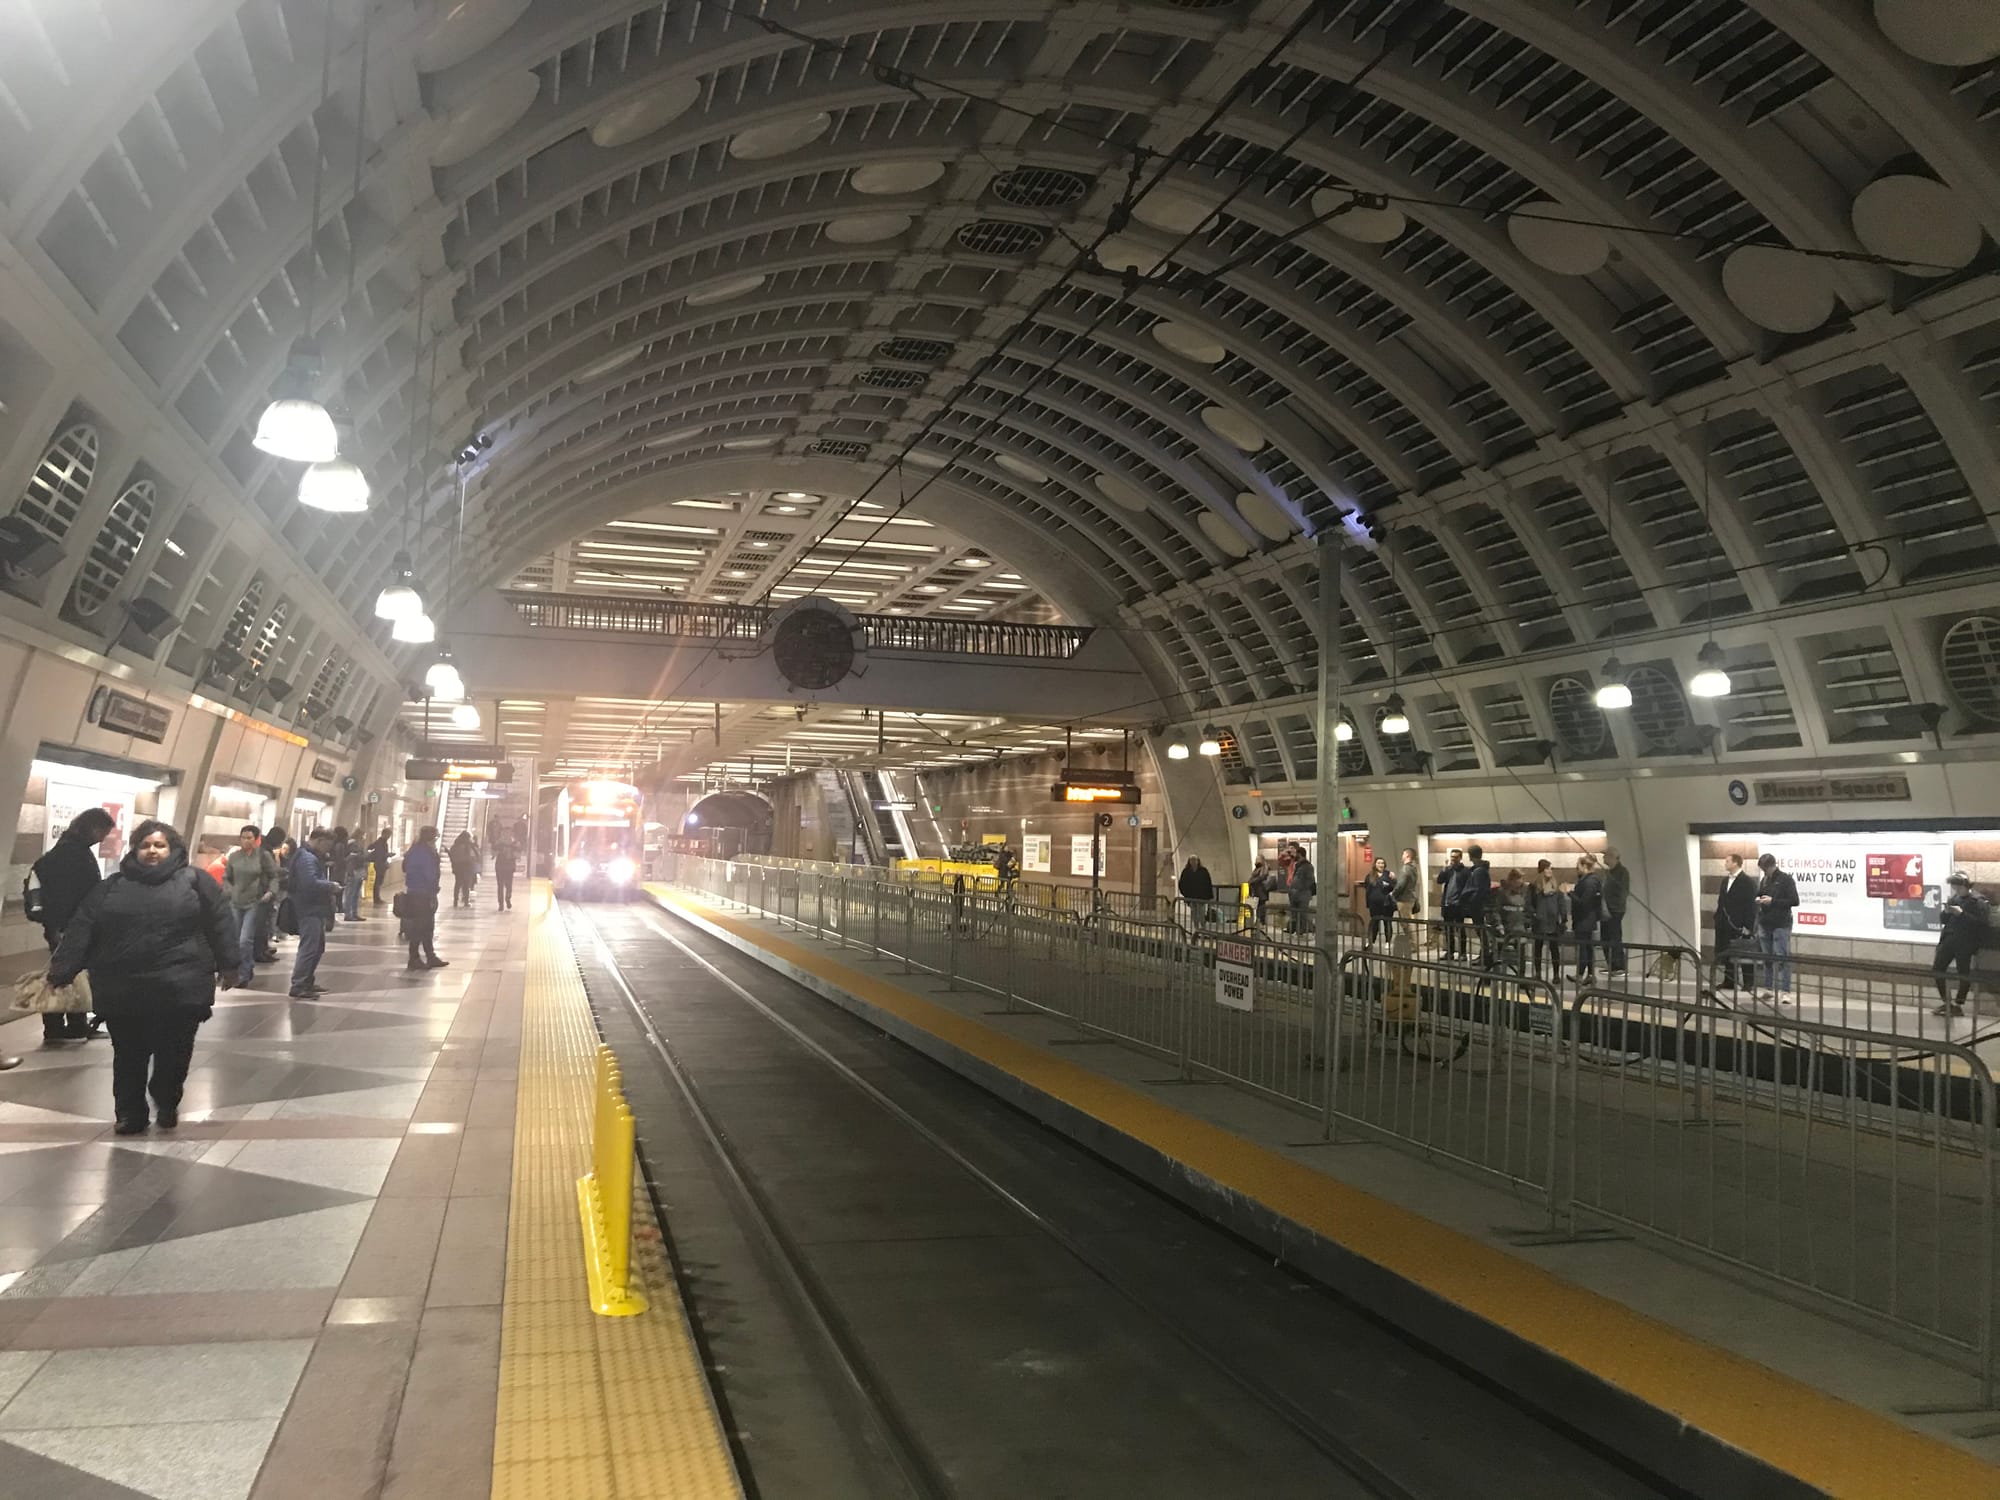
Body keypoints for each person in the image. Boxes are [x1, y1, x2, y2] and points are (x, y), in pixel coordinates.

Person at [47, 819, 238, 1134]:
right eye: (145, 845)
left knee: (173, 1054)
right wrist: (62, 970)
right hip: (124, 989)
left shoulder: (196, 882)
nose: (152, 851)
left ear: (173, 849)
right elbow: (83, 928)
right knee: (128, 1056)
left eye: (159, 845)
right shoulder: (110, 887)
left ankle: (166, 1097)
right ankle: (130, 1114)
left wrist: (230, 964)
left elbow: (220, 923)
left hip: (180, 988)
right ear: (135, 849)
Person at [27, 808, 117, 1044]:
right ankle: (62, 1026)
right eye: (103, 832)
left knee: (69, 973)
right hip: (69, 925)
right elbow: (72, 896)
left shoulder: (62, 852)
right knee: (66, 974)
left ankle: (70, 1025)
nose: (103, 838)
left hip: (61, 924)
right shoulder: (73, 855)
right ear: (92, 827)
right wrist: (65, 927)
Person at [222, 823, 278, 989]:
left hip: (254, 902)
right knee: (235, 940)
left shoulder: (263, 856)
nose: (246, 841)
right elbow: (227, 877)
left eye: (249, 838)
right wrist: (229, 890)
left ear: (256, 839)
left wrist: (271, 892)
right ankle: (242, 968)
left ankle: (244, 973)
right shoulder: (234, 857)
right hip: (235, 902)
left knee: (245, 940)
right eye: (243, 837)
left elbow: (274, 876)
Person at [287, 828, 339, 999]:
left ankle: (307, 981)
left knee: (317, 947)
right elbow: (309, 884)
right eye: (327, 845)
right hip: (309, 908)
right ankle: (299, 984)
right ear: (320, 840)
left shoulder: (307, 856)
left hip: (313, 908)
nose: (328, 850)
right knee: (309, 947)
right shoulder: (307, 858)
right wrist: (331, 885)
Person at [1932, 872, 1989, 1018]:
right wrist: (1945, 912)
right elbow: (1944, 920)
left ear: (1966, 885)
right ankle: (1947, 1002)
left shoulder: (1978, 901)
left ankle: (1958, 1004)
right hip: (1949, 940)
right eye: (1954, 887)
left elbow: (1981, 924)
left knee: (1963, 972)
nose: (1956, 890)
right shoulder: (1954, 898)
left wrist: (1961, 914)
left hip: (1965, 942)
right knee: (1937, 969)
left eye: (1958, 887)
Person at [1753, 851, 1799, 1001]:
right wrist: (1759, 899)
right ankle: (1768, 988)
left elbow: (1794, 900)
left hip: (1781, 923)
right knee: (1768, 957)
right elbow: (1760, 894)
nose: (1763, 872)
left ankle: (1785, 991)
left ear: (1771, 866)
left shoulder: (1786, 880)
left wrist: (1773, 901)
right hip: (1765, 922)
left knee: (1782, 957)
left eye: (1764, 869)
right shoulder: (1764, 880)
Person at [1711, 854, 1758, 995]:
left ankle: (1748, 982)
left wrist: (1748, 926)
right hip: (1724, 923)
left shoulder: (1747, 882)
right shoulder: (1725, 881)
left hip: (1739, 924)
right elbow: (1722, 901)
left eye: (1727, 861)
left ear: (1736, 863)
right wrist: (1717, 917)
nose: (1725, 863)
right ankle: (1729, 980)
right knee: (1726, 951)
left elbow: (1751, 906)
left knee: (1743, 953)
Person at [402, 826, 447, 972]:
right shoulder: (425, 852)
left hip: (417, 891)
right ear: (431, 838)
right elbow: (430, 873)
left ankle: (429, 955)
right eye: (435, 837)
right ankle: (414, 958)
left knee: (426, 926)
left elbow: (405, 867)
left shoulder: (415, 850)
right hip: (422, 893)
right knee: (421, 927)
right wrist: (433, 888)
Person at [1528, 860, 1568, 981]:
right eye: (1547, 868)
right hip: (1539, 921)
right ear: (1542, 870)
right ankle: (1538, 973)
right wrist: (1534, 914)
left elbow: (1561, 903)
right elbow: (1529, 903)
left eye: (1551, 868)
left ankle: (1556, 974)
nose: (1550, 871)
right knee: (1538, 947)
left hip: (1552, 921)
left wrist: (1563, 918)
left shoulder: (1556, 885)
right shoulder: (1534, 886)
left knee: (1554, 948)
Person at [1569, 854, 1604, 983]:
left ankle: (1581, 974)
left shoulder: (1590, 882)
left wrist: (1569, 893)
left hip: (1584, 919)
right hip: (1588, 919)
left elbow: (1584, 902)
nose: (1576, 869)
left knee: (1583, 947)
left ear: (1584, 866)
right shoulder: (1591, 880)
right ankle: (1589, 974)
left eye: (1578, 866)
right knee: (1587, 947)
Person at [1462, 843, 1494, 964]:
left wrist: (1471, 902)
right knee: (1481, 931)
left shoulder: (1478, 871)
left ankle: (1484, 956)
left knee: (1481, 931)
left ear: (1470, 856)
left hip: (1478, 906)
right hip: (1479, 905)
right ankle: (1484, 955)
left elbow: (1478, 890)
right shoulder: (1480, 870)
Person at [1601, 848, 1631, 976]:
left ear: (1612, 857)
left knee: (1615, 938)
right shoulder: (1609, 873)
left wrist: (1611, 908)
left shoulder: (1622, 872)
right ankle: (1611, 965)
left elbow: (1623, 893)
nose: (1603, 858)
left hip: (1614, 911)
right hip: (1606, 910)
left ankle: (1619, 966)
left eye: (1605, 856)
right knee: (1605, 938)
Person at [1436, 848, 1468, 959]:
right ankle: (1450, 952)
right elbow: (1439, 880)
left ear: (1460, 858)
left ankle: (1462, 953)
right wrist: (1444, 868)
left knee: (1460, 929)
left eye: (1455, 857)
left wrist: (1463, 901)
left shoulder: (1465, 871)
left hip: (1458, 905)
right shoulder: (1448, 871)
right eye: (1451, 857)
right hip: (1447, 904)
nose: (1453, 859)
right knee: (1448, 930)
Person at [1391, 848, 1421, 959]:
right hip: (1411, 898)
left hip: (1404, 899)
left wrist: (1393, 894)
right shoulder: (1414, 868)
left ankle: (1413, 945)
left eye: (1403, 854)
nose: (1402, 856)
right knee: (1408, 922)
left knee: (1406, 923)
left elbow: (1401, 884)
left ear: (1408, 855)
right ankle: (1413, 943)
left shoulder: (1405, 869)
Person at [1363, 855, 1396, 947]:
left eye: (1382, 863)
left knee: (1387, 922)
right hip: (1374, 903)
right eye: (1378, 863)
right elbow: (1367, 888)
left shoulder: (1389, 875)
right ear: (1375, 864)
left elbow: (1394, 887)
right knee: (1374, 923)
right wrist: (1368, 903)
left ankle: (1388, 942)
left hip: (1387, 903)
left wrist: (1388, 885)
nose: (1380, 865)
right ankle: (1371, 941)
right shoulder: (1370, 875)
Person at [1286, 844, 1316, 936]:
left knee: (1302, 914)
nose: (1295, 856)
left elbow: (1310, 880)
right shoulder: (1297, 866)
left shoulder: (1308, 866)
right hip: (1295, 894)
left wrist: (1301, 888)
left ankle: (1303, 931)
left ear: (1301, 854)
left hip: (1302, 894)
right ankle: (1297, 930)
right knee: (1295, 914)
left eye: (1297, 854)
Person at [1178, 856, 1215, 927]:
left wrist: (1209, 896)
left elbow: (1208, 884)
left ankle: (1203, 929)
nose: (1193, 862)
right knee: (1194, 914)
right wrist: (1185, 894)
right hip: (1191, 897)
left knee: (1201, 914)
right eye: (1191, 860)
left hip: (1201, 897)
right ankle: (1196, 929)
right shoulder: (1186, 871)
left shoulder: (1203, 871)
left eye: (1195, 860)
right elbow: (1182, 884)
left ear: (1198, 861)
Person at [448, 830, 477, 909]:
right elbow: (475, 856)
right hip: (467, 867)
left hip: (458, 868)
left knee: (457, 884)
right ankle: (466, 901)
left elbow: (452, 856)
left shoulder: (455, 846)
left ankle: (455, 901)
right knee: (466, 885)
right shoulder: (469, 846)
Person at [493, 833, 518, 912]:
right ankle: (507, 898)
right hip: (509, 868)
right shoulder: (514, 844)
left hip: (500, 867)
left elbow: (493, 852)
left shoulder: (499, 844)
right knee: (508, 886)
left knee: (500, 886)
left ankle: (501, 905)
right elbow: (517, 855)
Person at [369, 829, 392, 906]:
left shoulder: (382, 842)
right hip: (379, 864)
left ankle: (377, 897)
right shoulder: (380, 843)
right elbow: (380, 854)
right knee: (378, 881)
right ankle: (376, 898)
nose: (389, 837)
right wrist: (388, 855)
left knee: (379, 882)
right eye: (388, 835)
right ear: (385, 834)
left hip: (380, 863)